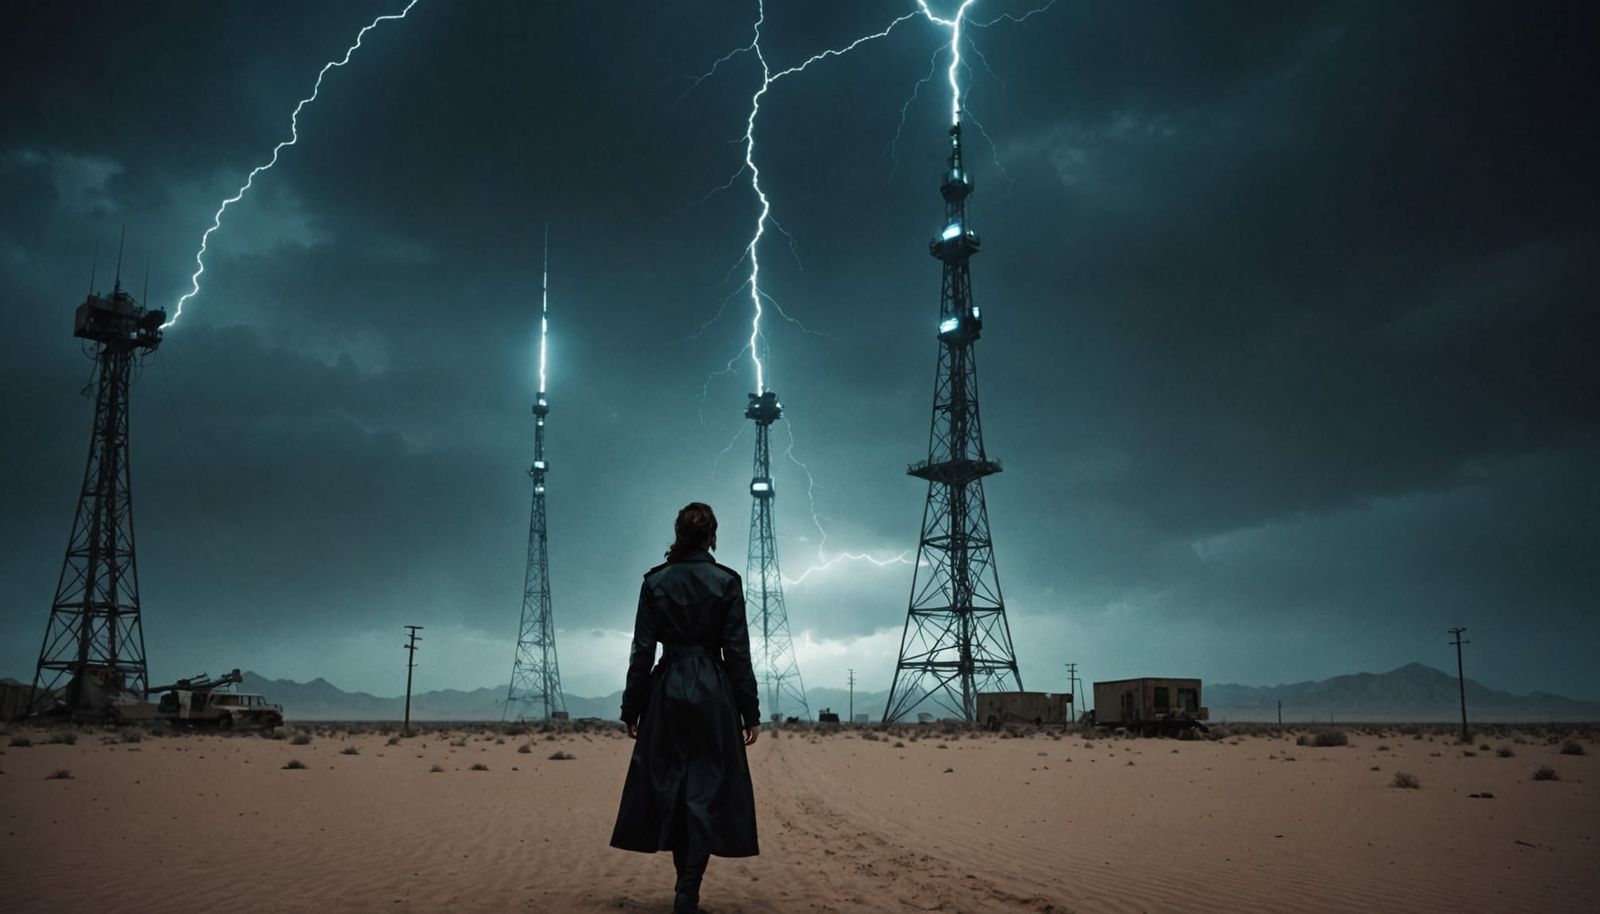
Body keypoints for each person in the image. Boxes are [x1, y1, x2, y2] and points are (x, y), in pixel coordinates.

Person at [610, 502, 761, 914]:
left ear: (678, 534)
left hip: (667, 691)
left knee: (675, 790)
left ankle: (685, 887)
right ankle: (687, 890)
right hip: (713, 691)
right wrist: (750, 710)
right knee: (706, 792)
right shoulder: (726, 582)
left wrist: (632, 707)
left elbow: (642, 651)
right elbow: (737, 653)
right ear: (712, 536)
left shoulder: (655, 582)